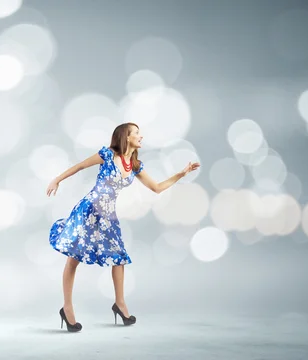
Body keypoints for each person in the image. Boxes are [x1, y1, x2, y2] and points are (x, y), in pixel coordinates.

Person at [46, 122, 200, 332]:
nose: (141, 136)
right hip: (89, 210)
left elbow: (156, 188)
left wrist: (181, 174)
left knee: (118, 257)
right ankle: (67, 307)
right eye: (136, 133)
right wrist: (57, 180)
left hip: (108, 216)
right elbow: (80, 166)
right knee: (74, 257)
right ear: (126, 137)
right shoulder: (107, 155)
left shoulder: (135, 166)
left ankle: (120, 304)